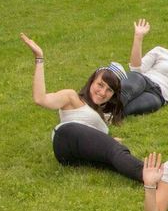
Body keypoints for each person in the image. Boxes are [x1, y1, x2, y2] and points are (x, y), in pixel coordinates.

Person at [20, 33, 143, 182]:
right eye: (100, 85)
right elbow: (40, 99)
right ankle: (151, 175)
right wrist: (39, 58)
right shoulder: (72, 97)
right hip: (66, 136)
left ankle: (152, 178)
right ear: (92, 81)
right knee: (116, 150)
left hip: (76, 157)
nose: (102, 92)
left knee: (112, 161)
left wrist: (108, 139)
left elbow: (92, 139)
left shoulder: (105, 115)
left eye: (109, 90)